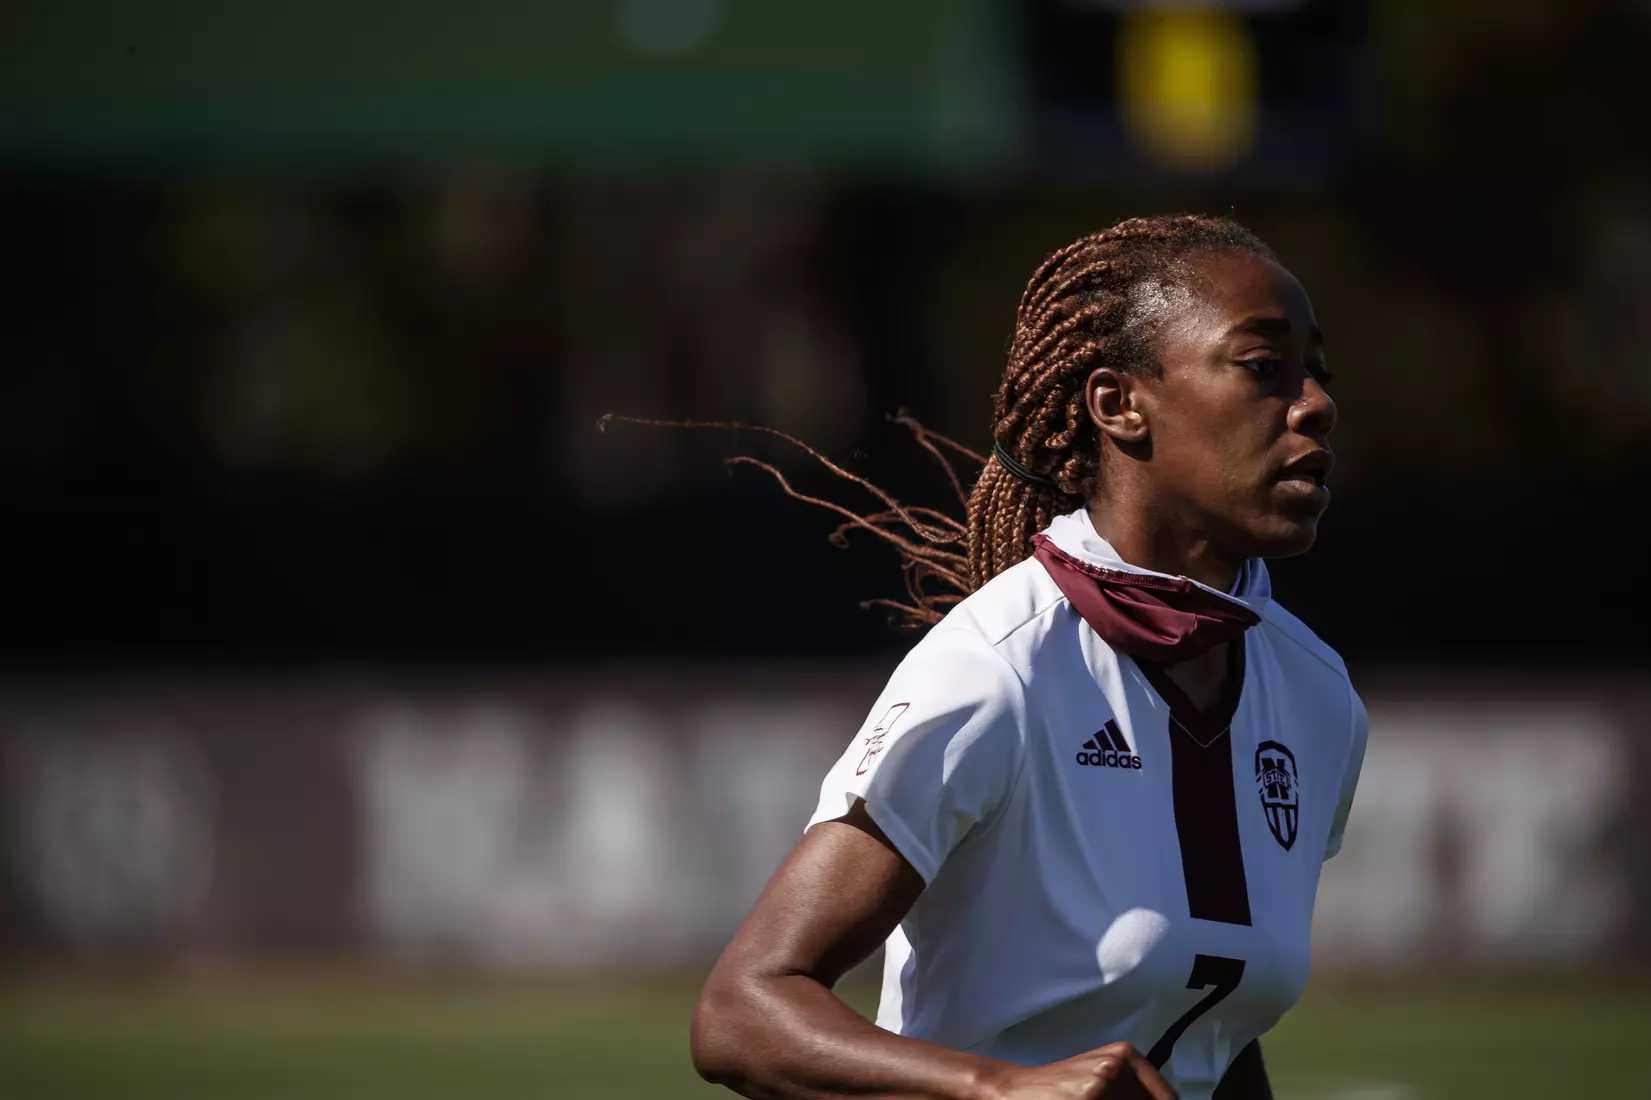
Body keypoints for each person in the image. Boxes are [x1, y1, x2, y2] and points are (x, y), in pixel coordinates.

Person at [687, 214, 1367, 1100]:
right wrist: (998, 1088)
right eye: (1260, 365)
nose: (1313, 401)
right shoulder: (996, 667)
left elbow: (1210, 1028)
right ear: (1117, 404)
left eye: (1316, 371)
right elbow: (740, 1010)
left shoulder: (1315, 696)